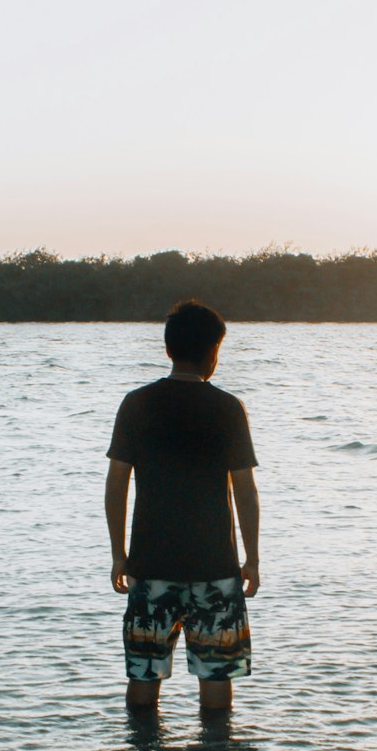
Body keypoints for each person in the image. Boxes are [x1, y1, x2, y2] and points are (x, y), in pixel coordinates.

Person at [105, 299, 260, 712]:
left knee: (143, 679)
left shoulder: (136, 403)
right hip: (214, 567)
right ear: (213, 353)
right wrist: (252, 558)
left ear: (169, 349)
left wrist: (119, 555)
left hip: (151, 565)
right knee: (216, 680)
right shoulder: (228, 408)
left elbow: (117, 483)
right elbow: (245, 489)